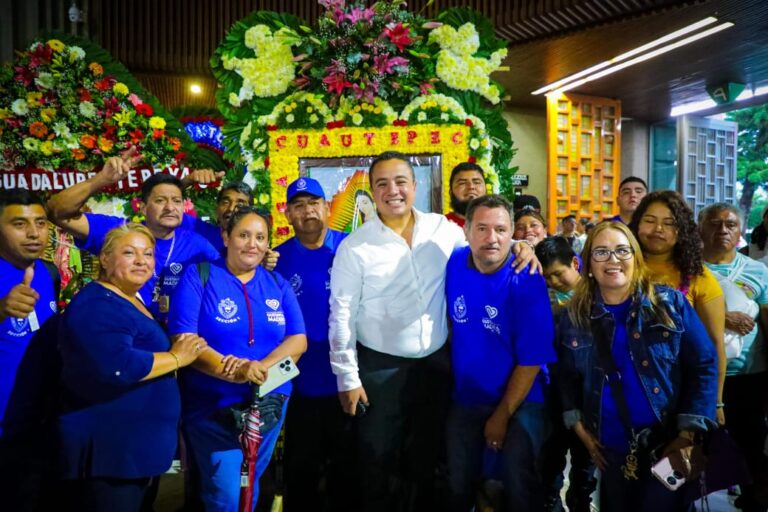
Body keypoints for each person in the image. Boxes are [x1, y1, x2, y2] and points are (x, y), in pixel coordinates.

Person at [329, 151, 536, 512]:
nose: (393, 190)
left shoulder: (444, 229)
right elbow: (340, 313)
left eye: (400, 181)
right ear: (372, 191)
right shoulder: (355, 246)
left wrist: (518, 245)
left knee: (427, 455)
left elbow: (485, 246)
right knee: (378, 455)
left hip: (436, 365)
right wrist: (347, 377)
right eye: (382, 184)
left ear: (414, 185)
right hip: (380, 368)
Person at [556, 221, 718, 512]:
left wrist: (687, 432)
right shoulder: (574, 316)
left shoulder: (671, 305)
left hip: (668, 443)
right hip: (611, 448)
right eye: (601, 252)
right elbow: (565, 376)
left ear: (636, 258)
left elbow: (704, 364)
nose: (613, 259)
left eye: (622, 250)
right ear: (588, 264)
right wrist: (579, 429)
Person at [57, 223, 207, 511]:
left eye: (148, 254)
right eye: (129, 252)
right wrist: (177, 357)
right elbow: (117, 365)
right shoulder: (97, 304)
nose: (141, 261)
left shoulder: (130, 299)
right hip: (112, 454)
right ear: (104, 258)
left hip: (135, 452)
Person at [168, 206, 307, 511]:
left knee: (250, 486)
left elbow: (298, 340)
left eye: (260, 237)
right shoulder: (200, 276)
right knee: (226, 493)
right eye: (244, 235)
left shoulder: (278, 284)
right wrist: (235, 371)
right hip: (213, 408)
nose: (252, 244)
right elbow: (184, 340)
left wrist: (256, 369)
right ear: (226, 237)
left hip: (268, 407)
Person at [445, 194, 556, 511]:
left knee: (519, 480)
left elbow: (532, 359)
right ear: (466, 231)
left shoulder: (526, 278)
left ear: (513, 234)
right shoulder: (453, 263)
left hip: (520, 400)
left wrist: (502, 415)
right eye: (481, 228)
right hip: (467, 397)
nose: (491, 238)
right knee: (456, 481)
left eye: (500, 229)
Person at [46, 152, 220, 322]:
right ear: (143, 208)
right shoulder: (119, 231)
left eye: (176, 201)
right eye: (160, 201)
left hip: (178, 335)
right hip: (122, 329)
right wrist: (101, 180)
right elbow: (57, 212)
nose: (170, 207)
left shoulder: (198, 243)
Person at [273, 177, 357, 511]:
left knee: (348, 469)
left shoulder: (351, 249)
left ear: (326, 207)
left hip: (346, 379)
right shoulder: (275, 260)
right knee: (301, 468)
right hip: (297, 382)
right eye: (299, 205)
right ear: (288, 214)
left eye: (314, 203)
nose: (308, 211)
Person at [629, 190, 727, 425]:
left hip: (678, 397)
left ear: (682, 230)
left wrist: (715, 402)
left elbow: (714, 346)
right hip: (623, 391)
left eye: (669, 223)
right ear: (637, 224)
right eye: (650, 221)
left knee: (671, 461)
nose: (658, 230)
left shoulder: (698, 279)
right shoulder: (619, 269)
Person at [699, 203, 768, 512]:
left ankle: (754, 499)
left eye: (730, 224)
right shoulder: (689, 270)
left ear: (741, 231)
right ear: (701, 229)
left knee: (752, 446)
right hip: (704, 376)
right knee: (700, 446)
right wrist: (722, 318)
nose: (722, 230)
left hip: (751, 376)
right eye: (714, 224)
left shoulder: (758, 270)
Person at [0, 189, 60, 512]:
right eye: (19, 224)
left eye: (40, 222)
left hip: (41, 425)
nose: (34, 233)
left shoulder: (48, 272)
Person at [535, 236, 597, 512]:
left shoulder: (598, 296)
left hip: (587, 393)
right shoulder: (542, 297)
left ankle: (580, 501)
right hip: (553, 391)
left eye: (558, 274)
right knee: (551, 459)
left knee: (586, 463)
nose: (553, 282)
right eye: (547, 277)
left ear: (575, 263)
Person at [181, 180, 254, 253]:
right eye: (225, 202)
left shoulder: (255, 245)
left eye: (240, 205)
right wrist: (188, 180)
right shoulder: (200, 231)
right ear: (217, 208)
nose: (231, 208)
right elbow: (172, 214)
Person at [446, 162, 486, 227]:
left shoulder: (499, 222)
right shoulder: (441, 226)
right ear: (451, 192)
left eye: (476, 182)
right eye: (462, 183)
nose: (471, 187)